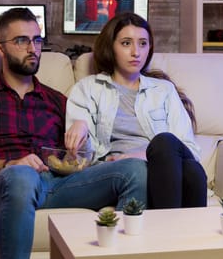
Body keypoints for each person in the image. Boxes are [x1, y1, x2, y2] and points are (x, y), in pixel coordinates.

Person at [0, 7, 147, 259]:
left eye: (36, 40)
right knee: (22, 175)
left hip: (57, 184)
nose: (32, 48)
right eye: (21, 40)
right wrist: (9, 164)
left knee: (135, 170)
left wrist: (78, 153)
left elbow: (77, 156)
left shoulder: (58, 100)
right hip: (6, 182)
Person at [65, 12, 207, 209]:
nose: (136, 52)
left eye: (143, 43)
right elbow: (83, 159)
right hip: (119, 172)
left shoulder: (163, 90)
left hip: (163, 166)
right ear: (111, 47)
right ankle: (179, 234)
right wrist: (80, 127)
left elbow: (188, 147)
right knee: (191, 172)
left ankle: (169, 231)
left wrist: (141, 155)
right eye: (126, 43)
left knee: (176, 153)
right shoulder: (88, 88)